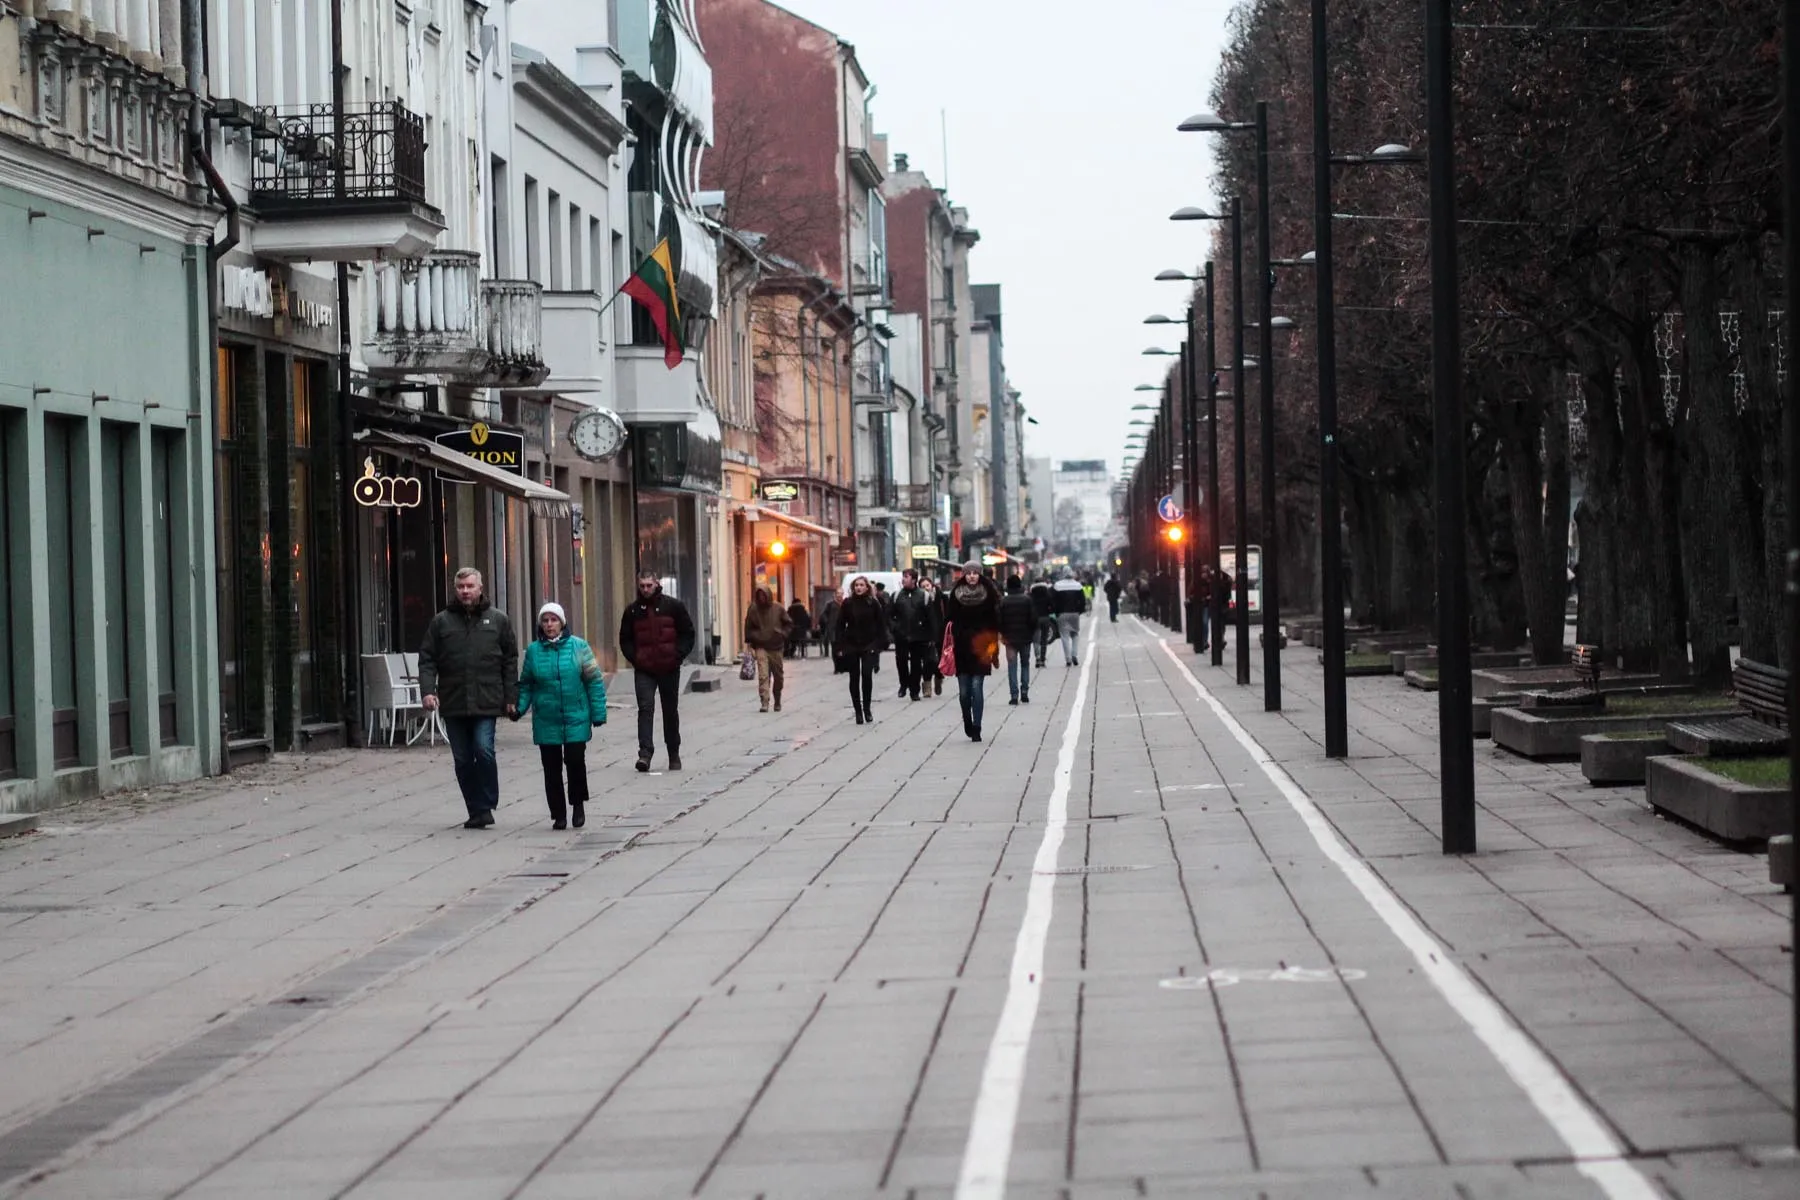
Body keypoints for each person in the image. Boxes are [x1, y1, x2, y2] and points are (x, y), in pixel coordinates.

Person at [418, 567, 518, 829]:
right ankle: (477, 810)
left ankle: (487, 801)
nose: (465, 591)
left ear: (480, 588)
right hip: (454, 701)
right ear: (455, 589)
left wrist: (511, 697)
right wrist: (428, 691)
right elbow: (427, 659)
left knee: (484, 750)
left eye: (470, 586)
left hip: (486, 699)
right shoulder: (441, 622)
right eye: (461, 587)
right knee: (462, 759)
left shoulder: (498, 620)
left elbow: (509, 660)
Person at [514, 602, 606, 830]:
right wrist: (519, 708)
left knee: (575, 761)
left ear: (562, 622)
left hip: (576, 715)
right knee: (551, 767)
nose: (549, 625)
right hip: (547, 717)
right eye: (545, 620)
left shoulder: (579, 646)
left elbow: (593, 680)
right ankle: (558, 813)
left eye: (553, 620)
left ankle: (577, 804)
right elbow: (526, 684)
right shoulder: (534, 651)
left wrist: (598, 712)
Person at [619, 571, 696, 772]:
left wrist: (677, 655)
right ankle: (645, 754)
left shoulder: (673, 607)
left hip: (669, 667)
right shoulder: (633, 611)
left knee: (670, 710)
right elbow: (625, 639)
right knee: (645, 708)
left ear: (656, 584)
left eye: (649, 585)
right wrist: (636, 658)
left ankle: (673, 753)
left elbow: (688, 633)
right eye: (642, 586)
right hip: (644, 669)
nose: (645, 589)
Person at [946, 560, 1002, 740]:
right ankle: (967, 721)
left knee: (977, 687)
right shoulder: (956, 594)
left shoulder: (989, 594)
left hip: (982, 647)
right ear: (964, 575)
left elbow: (994, 624)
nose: (971, 576)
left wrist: (994, 650)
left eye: (975, 573)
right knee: (964, 692)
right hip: (962, 647)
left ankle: (977, 727)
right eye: (968, 573)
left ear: (980, 575)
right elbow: (948, 619)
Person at [834, 575, 888, 724]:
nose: (858, 587)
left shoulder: (873, 603)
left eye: (861, 585)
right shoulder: (848, 603)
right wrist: (840, 645)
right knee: (854, 677)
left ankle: (867, 709)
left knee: (867, 675)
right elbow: (840, 625)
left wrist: (879, 644)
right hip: (851, 644)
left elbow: (881, 625)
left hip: (869, 644)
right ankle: (858, 711)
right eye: (856, 585)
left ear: (867, 587)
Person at [889, 569, 937, 701]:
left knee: (916, 664)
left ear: (914, 580)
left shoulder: (924, 596)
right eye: (903, 577)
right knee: (901, 660)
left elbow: (931, 617)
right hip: (902, 635)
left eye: (906, 577)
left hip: (919, 635)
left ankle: (914, 690)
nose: (903, 579)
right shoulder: (897, 595)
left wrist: (932, 636)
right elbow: (889, 615)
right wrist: (894, 628)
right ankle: (904, 684)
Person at [743, 587, 791, 713]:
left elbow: (788, 624)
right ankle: (764, 701)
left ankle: (777, 698)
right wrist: (750, 642)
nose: (761, 598)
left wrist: (782, 634)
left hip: (776, 646)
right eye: (759, 596)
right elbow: (748, 626)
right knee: (763, 675)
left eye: (764, 596)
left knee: (778, 676)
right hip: (761, 646)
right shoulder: (753, 609)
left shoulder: (778, 608)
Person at [997, 575, 1038, 705]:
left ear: (1008, 586)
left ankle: (1014, 695)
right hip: (1025, 638)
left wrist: (1003, 633)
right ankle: (1024, 692)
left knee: (1012, 666)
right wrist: (1030, 632)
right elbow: (1033, 619)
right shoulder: (1027, 600)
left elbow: (999, 620)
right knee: (1025, 664)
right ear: (1020, 585)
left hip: (1009, 639)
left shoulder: (1003, 601)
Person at [1052, 567, 1088, 666]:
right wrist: (1079, 611)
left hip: (1062, 614)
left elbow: (1053, 600)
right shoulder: (1078, 585)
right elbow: (1083, 601)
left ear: (1062, 573)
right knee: (1075, 634)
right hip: (1074, 613)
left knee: (1064, 637)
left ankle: (1068, 659)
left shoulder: (1057, 585)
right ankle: (1074, 654)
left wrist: (1056, 612)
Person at [919, 575, 947, 695]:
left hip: (941, 633)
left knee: (939, 660)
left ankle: (939, 677)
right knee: (928, 660)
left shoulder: (941, 597)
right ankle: (927, 686)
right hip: (926, 633)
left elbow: (949, 613)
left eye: (927, 585)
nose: (926, 588)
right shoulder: (920, 599)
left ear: (932, 585)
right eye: (923, 587)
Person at [1028, 574, 1056, 669]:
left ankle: (1038, 658)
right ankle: (1043, 660)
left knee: (1036, 639)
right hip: (1045, 618)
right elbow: (1052, 606)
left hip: (1035, 619)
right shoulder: (1047, 593)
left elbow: (1029, 607)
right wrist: (1049, 611)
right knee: (1044, 640)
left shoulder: (1031, 594)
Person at [818, 594, 841, 669]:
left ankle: (842, 665)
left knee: (841, 648)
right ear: (835, 595)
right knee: (834, 648)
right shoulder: (830, 604)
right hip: (832, 629)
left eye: (841, 594)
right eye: (838, 594)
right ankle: (837, 667)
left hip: (842, 630)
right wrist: (828, 622)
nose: (839, 596)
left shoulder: (845, 603)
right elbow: (823, 615)